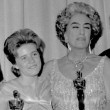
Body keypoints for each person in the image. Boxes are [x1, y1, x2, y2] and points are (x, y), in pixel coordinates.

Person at [41, 2, 110, 110]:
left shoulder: (105, 64)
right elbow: (40, 105)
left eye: (87, 27)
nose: (82, 32)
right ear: (65, 35)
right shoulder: (50, 68)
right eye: (75, 27)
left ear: (91, 34)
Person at [0, 28, 52, 110]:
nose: (31, 60)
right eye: (24, 58)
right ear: (15, 64)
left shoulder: (51, 85)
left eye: (34, 54)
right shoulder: (6, 90)